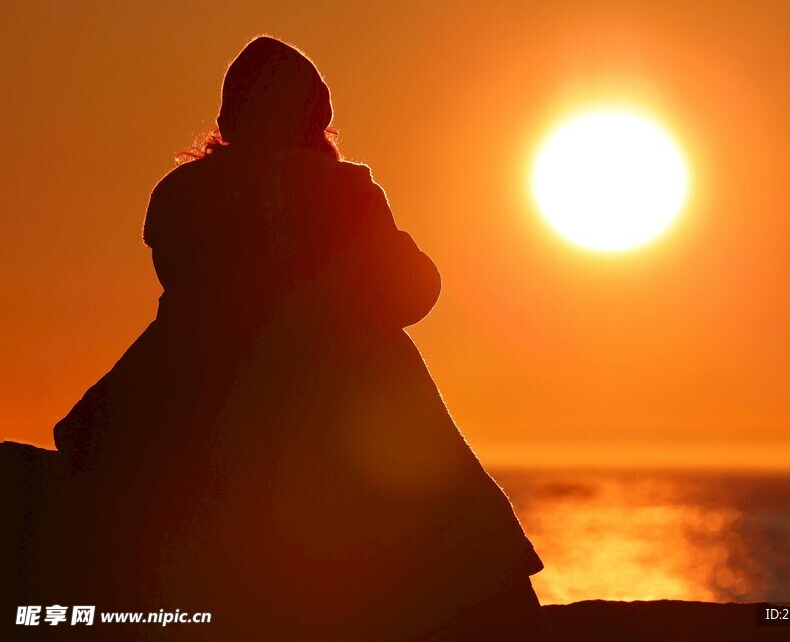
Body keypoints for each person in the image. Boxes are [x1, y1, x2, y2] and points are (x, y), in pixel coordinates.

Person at [49, 36, 552, 641]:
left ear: (230, 119)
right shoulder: (344, 194)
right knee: (452, 522)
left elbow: (178, 278)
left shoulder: (183, 194)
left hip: (193, 378)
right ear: (318, 120)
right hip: (342, 388)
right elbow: (413, 294)